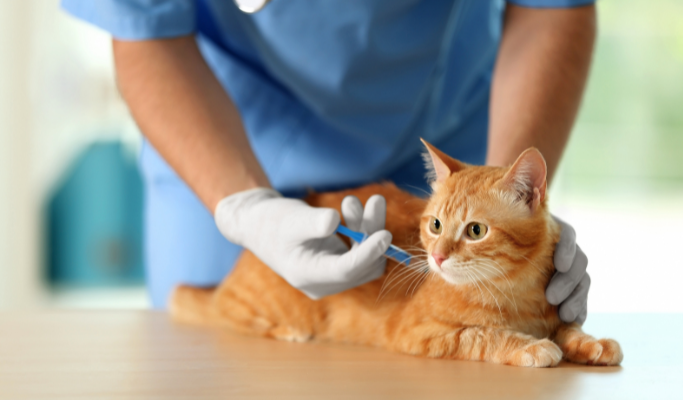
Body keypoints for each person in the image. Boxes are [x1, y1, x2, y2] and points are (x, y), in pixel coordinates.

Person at [62, 0, 595, 323]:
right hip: (222, 130)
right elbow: (144, 29)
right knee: (209, 357)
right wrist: (245, 206)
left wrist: (508, 201)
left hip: (439, 147)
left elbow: (551, 11)